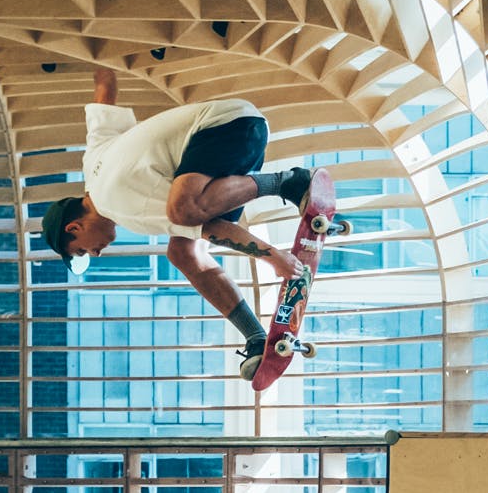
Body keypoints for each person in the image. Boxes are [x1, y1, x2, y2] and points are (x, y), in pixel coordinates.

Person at [39, 68, 311, 370]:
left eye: (82, 249)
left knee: (183, 210)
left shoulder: (120, 205)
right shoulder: (92, 162)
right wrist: (97, 54)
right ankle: (256, 338)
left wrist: (274, 258)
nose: (96, 252)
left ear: (74, 227)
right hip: (235, 129)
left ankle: (286, 183)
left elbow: (209, 227)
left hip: (226, 128)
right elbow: (105, 90)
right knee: (183, 252)